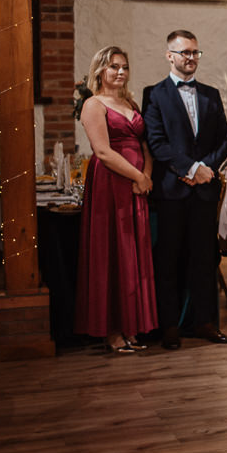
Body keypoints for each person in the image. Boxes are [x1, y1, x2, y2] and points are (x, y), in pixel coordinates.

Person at [143, 29, 227, 351]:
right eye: (185, 52)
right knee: (168, 260)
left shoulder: (211, 94)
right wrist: (191, 169)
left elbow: (225, 138)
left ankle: (205, 321)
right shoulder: (154, 94)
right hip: (171, 191)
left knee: (205, 259)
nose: (191, 57)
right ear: (170, 56)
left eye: (195, 52)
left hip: (204, 191)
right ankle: (169, 326)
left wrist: (206, 169)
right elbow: (156, 142)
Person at [75, 46, 158, 352]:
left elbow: (144, 144)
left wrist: (146, 175)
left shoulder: (129, 103)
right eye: (113, 67)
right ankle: (111, 330)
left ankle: (130, 324)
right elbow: (102, 151)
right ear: (100, 71)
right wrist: (137, 176)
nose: (121, 72)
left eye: (124, 67)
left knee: (132, 254)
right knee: (112, 252)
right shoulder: (93, 104)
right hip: (110, 184)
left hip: (136, 185)